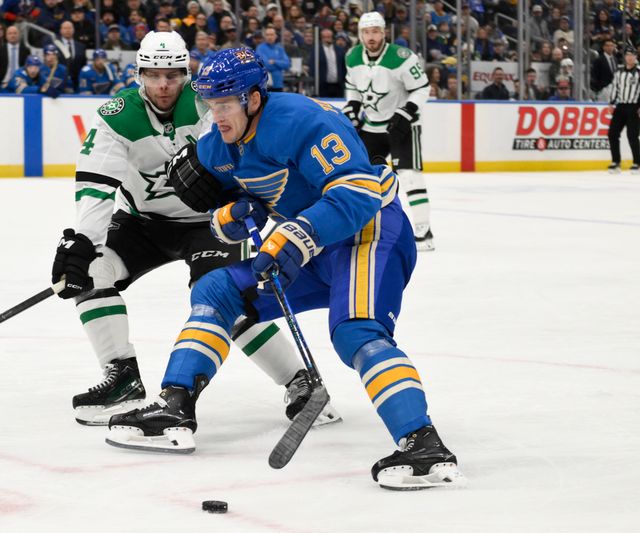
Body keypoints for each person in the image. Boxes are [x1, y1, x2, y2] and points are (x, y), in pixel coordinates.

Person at [107, 48, 464, 490]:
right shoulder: (217, 144)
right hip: (313, 242)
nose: (215, 115)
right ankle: (174, 406)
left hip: (369, 233)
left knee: (355, 331)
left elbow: (356, 191)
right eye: (210, 104)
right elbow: (248, 200)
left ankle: (424, 446)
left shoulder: (307, 121)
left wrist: (294, 234)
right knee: (217, 290)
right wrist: (233, 216)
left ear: (254, 98)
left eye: (224, 104)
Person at [50, 33, 339, 427]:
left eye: (172, 75)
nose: (164, 85)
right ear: (139, 74)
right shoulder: (116, 115)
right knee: (88, 273)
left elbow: (230, 150)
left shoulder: (207, 102)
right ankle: (123, 378)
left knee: (226, 302)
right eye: (154, 75)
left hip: (209, 223)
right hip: (142, 223)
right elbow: (96, 183)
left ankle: (300, 381)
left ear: (186, 74)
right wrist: (83, 241)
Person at [342, 12, 434, 251]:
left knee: (409, 174)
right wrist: (352, 106)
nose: (371, 37)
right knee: (364, 176)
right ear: (360, 34)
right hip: (372, 126)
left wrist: (407, 112)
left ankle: (424, 231)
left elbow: (423, 88)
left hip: (402, 126)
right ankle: (369, 229)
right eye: (366, 32)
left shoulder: (402, 57)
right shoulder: (352, 56)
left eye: (375, 32)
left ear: (384, 33)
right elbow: (352, 86)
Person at [607, 46, 640, 174]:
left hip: (634, 106)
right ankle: (616, 162)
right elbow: (615, 87)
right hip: (621, 106)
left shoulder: (638, 71)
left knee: (632, 135)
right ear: (625, 57)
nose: (630, 57)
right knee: (612, 133)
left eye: (632, 55)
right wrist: (611, 102)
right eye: (628, 55)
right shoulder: (619, 72)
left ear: (636, 57)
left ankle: (637, 162)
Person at [309, 28, 346, 97]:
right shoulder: (316, 50)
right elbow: (312, 67)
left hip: (338, 85)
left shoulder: (339, 50)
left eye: (328, 37)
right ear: (321, 38)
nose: (326, 39)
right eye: (324, 37)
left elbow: (343, 66)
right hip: (322, 86)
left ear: (332, 38)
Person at [255, 27, 290, 92]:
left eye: (271, 35)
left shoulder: (280, 48)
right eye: (267, 35)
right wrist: (279, 65)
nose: (269, 37)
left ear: (275, 36)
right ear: (264, 36)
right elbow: (265, 65)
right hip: (266, 84)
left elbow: (287, 64)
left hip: (278, 84)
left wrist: (274, 61)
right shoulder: (260, 48)